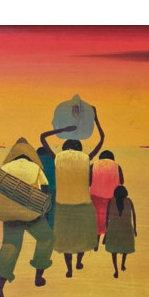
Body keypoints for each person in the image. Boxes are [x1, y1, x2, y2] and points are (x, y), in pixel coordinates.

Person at [40, 107, 105, 277]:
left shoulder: (58, 158)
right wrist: (96, 119)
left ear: (65, 148)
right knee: (82, 238)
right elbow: (102, 139)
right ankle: (79, 262)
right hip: (83, 205)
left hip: (63, 206)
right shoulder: (86, 158)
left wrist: (63, 129)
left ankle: (69, 269)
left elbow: (42, 137)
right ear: (79, 148)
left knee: (66, 241)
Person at [0, 138, 55, 297]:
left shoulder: (4, 168)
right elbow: (44, 190)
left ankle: (0, 288)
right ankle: (38, 276)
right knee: (46, 238)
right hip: (30, 215)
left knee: (9, 247)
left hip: (9, 215)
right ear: (30, 154)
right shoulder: (35, 167)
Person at [90, 150, 124, 251]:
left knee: (97, 220)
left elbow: (88, 181)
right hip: (111, 198)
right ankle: (106, 236)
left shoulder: (93, 165)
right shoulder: (117, 166)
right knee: (109, 219)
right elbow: (122, 181)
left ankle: (96, 242)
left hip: (96, 197)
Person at [104, 185, 137, 279]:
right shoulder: (129, 201)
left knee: (113, 251)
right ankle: (122, 264)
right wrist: (135, 229)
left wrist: (106, 231)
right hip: (126, 229)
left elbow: (106, 217)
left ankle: (116, 270)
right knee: (125, 249)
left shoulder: (111, 201)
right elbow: (134, 215)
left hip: (113, 229)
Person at [37, 147, 56, 229]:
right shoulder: (53, 160)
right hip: (55, 189)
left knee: (43, 212)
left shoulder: (37, 161)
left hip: (42, 190)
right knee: (52, 212)